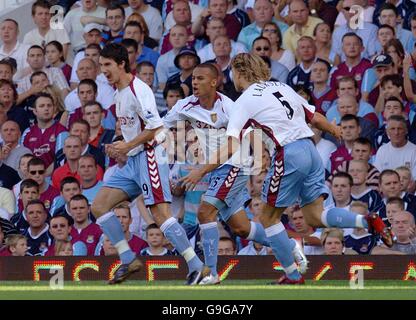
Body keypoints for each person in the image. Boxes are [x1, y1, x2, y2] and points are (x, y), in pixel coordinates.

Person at [181, 53, 392, 285]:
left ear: (239, 73)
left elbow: (231, 144)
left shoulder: (244, 100)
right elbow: (315, 117)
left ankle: (293, 276)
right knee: (316, 216)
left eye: (233, 73)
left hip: (288, 154)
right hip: (310, 150)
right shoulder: (281, 87)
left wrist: (201, 170)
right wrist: (334, 130)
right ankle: (368, 222)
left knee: (269, 218)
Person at [92, 43, 206, 285]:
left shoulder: (138, 89)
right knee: (99, 206)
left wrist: (128, 143)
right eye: (101, 65)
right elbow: (128, 127)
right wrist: (119, 143)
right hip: (134, 159)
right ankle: (128, 259)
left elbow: (155, 128)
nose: (103, 70)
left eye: (107, 65)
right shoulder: (118, 92)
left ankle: (197, 266)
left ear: (121, 64)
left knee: (161, 215)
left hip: (151, 155)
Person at [164, 62, 274, 284]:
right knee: (241, 228)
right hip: (216, 170)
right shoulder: (185, 106)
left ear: (214, 82)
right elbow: (160, 126)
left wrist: (263, 153)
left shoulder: (229, 107)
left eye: (201, 78)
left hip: (235, 165)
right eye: (193, 78)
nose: (195, 82)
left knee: (205, 213)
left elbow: (252, 131)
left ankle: (211, 273)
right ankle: (287, 245)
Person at [374, 115, 416, 179]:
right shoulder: (382, 150)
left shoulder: (414, 150)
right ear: (387, 132)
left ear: (406, 131)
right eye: (392, 129)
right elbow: (378, 176)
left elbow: (414, 181)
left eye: (399, 128)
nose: (396, 132)